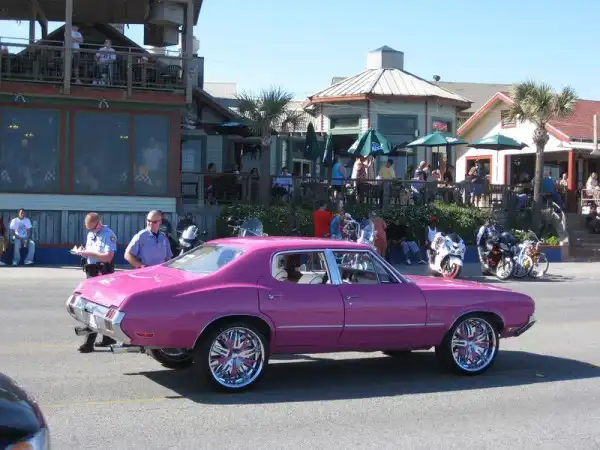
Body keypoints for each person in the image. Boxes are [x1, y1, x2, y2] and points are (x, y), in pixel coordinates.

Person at [76, 212, 117, 353]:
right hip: (91, 271)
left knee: (93, 307)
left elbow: (108, 257)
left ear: (99, 223)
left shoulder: (108, 234)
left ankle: (88, 343)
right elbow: (91, 250)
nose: (91, 231)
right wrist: (83, 251)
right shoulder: (90, 234)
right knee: (99, 306)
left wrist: (89, 254)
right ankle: (108, 338)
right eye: (88, 228)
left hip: (103, 272)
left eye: (93, 228)